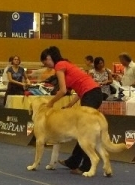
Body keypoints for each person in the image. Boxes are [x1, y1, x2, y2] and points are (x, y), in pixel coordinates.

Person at [40, 46, 103, 175]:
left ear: (49, 58)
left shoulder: (60, 66)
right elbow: (79, 91)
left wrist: (50, 103)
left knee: (84, 132)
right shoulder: (66, 65)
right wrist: (69, 105)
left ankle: (86, 166)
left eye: (45, 62)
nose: (46, 65)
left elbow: (62, 91)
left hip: (91, 94)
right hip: (91, 93)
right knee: (81, 131)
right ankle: (73, 161)